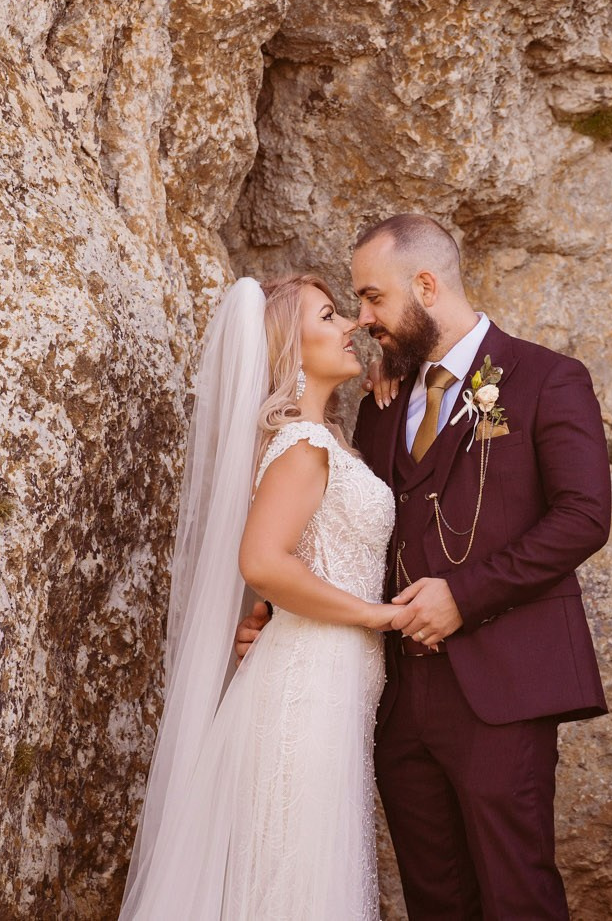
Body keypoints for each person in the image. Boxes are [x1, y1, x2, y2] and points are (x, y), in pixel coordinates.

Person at [235, 213, 612, 920]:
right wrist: (274, 615)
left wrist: (464, 596)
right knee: (435, 902)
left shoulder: (546, 378)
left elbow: (584, 516)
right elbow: (341, 530)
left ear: (427, 284)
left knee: (516, 894)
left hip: (503, 691)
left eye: (373, 298)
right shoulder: (380, 405)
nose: (364, 318)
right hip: (398, 704)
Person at [119, 273, 404, 920]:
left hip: (333, 684)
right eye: (330, 315)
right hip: (305, 690)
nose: (350, 324)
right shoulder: (301, 447)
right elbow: (262, 560)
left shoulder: (323, 442)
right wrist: (376, 615)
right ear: (289, 349)